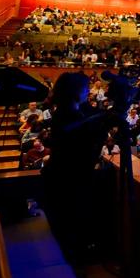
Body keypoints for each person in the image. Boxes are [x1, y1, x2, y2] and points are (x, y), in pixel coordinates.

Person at [41, 71, 110, 266]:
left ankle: (70, 260)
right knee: (68, 226)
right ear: (75, 92)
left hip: (69, 177)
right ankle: (68, 267)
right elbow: (89, 143)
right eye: (85, 88)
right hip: (68, 180)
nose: (88, 91)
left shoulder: (71, 110)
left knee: (69, 225)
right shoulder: (67, 116)